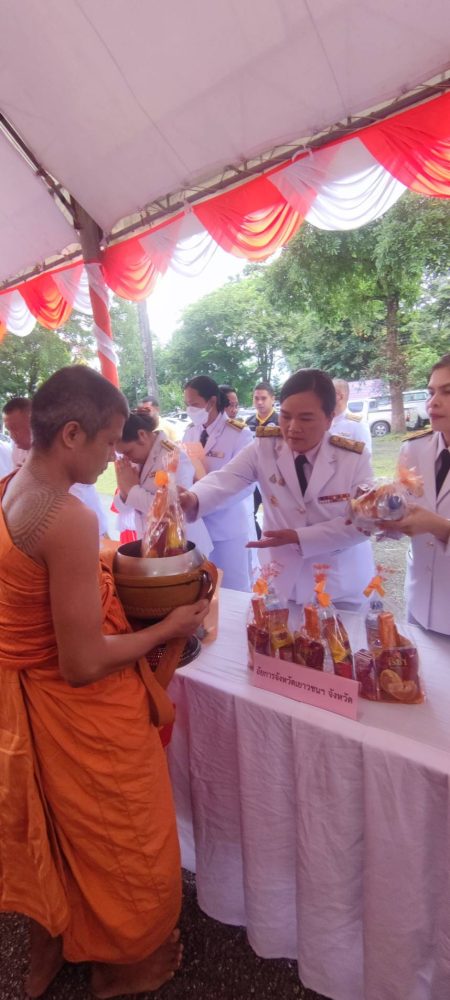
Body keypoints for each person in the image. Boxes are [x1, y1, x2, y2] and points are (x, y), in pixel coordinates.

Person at [0, 367, 209, 999]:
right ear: (71, 434)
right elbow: (84, 662)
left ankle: (63, 937)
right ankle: (123, 962)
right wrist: (169, 626)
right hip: (78, 705)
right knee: (126, 835)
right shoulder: (65, 514)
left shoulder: (14, 486)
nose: (116, 457)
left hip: (28, 697)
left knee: (63, 831)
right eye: (109, 442)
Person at [180, 369, 375, 606]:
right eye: (286, 416)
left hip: (338, 587)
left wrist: (300, 537)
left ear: (329, 418)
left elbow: (364, 523)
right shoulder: (265, 447)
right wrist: (193, 498)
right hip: (283, 583)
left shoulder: (353, 458)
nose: (293, 427)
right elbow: (226, 478)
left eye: (306, 418)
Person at [377, 354, 450, 634]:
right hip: (420, 602)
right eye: (431, 392)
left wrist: (439, 526)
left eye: (447, 392)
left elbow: (429, 522)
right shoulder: (414, 449)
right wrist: (377, 515)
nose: (433, 402)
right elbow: (402, 514)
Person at [183, 375, 254, 590]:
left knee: (233, 589)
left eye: (194, 404)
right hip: (196, 526)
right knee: (202, 589)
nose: (190, 409)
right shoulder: (190, 432)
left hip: (227, 527)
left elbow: (246, 484)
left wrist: (203, 500)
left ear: (212, 402)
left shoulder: (238, 434)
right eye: (187, 404)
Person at [2, 395, 108, 537]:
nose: (12, 435)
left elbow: (78, 488)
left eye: (16, 429)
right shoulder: (17, 449)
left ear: (34, 424)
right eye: (9, 430)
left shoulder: (61, 447)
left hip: (82, 517)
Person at [115, 409, 212, 555]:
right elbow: (123, 509)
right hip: (151, 543)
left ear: (142, 435)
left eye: (128, 451)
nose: (127, 458)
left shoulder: (174, 455)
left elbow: (174, 508)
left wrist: (131, 490)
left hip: (182, 544)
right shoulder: (136, 459)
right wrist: (124, 491)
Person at [246, 381, 279, 538]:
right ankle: (260, 541)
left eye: (263, 398)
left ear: (273, 399)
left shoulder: (281, 421)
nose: (259, 402)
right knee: (250, 512)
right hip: (254, 477)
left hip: (276, 477)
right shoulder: (248, 423)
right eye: (256, 398)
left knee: (278, 514)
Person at [332, 379, 372, 452]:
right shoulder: (322, 421)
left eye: (328, 393)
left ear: (340, 396)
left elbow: (365, 453)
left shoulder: (358, 423)